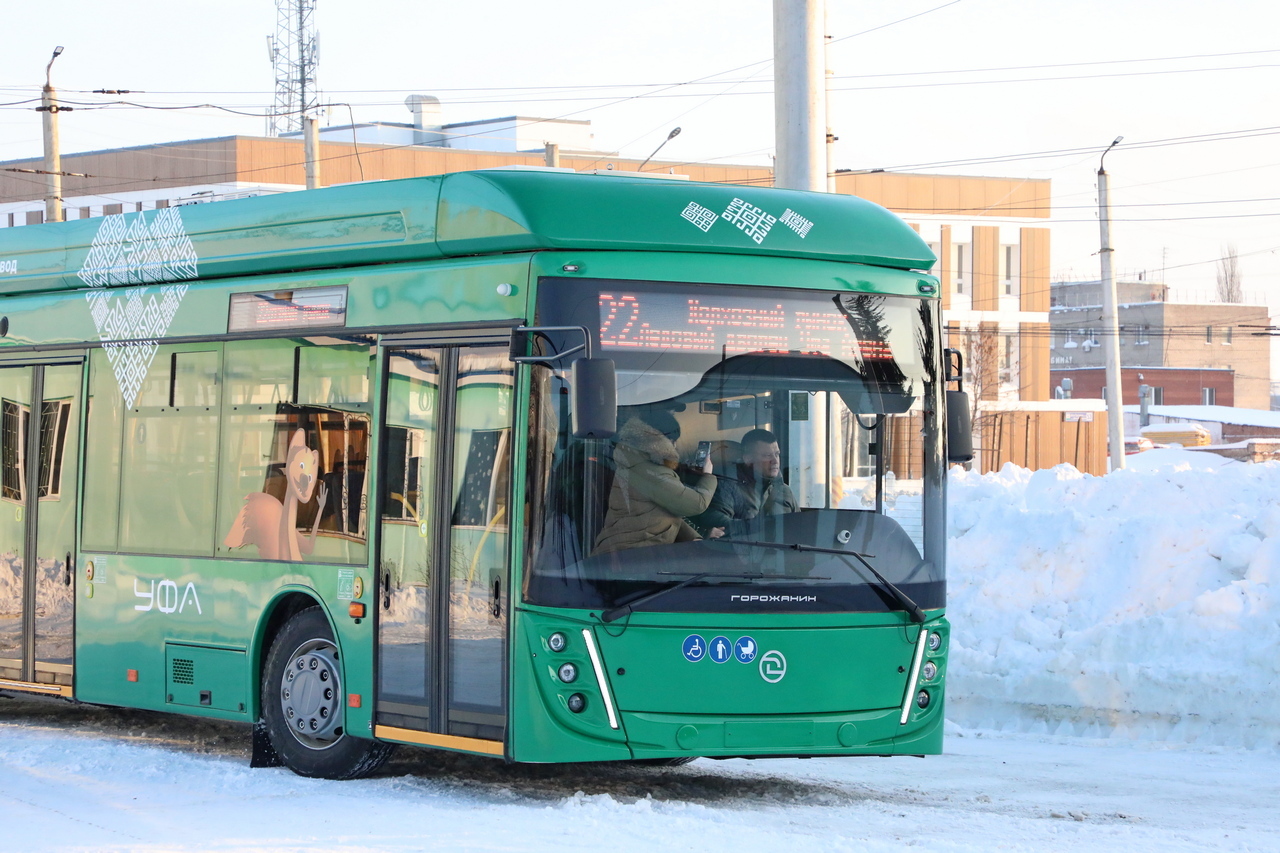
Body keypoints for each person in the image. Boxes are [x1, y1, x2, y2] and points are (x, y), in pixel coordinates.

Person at [592, 408, 717, 555]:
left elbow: (666, 514)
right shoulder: (649, 471)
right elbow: (696, 504)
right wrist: (708, 475)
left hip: (631, 553)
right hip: (628, 558)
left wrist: (694, 538)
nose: (675, 447)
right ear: (660, 440)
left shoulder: (638, 462)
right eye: (673, 441)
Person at [694, 428, 797, 537]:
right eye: (767, 456)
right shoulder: (728, 486)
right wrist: (767, 528)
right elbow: (719, 523)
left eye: (777, 454)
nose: (775, 461)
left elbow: (800, 527)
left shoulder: (784, 491)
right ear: (748, 459)